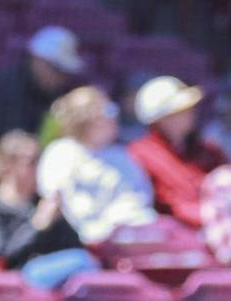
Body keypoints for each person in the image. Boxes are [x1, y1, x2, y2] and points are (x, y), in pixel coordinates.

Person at [38, 85, 158, 246]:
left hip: (137, 231)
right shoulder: (62, 153)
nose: (115, 117)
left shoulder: (120, 154)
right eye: (109, 111)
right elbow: (61, 205)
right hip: (90, 240)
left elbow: (141, 198)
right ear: (85, 118)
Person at [0, 130, 90, 285]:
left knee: (87, 264)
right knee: (82, 262)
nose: (38, 167)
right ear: (6, 164)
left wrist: (61, 216)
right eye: (31, 162)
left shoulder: (42, 202)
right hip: (18, 278)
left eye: (40, 161)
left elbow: (73, 247)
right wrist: (36, 226)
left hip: (56, 273)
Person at [126, 76, 227, 229]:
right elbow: (170, 205)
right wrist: (210, 217)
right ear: (159, 119)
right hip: (177, 233)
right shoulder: (140, 153)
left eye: (188, 108)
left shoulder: (208, 149)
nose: (189, 114)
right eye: (179, 111)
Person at [0, 25, 84, 142]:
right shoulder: (3, 88)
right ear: (36, 59)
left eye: (65, 72)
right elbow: (11, 142)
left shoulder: (57, 92)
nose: (61, 78)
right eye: (57, 68)